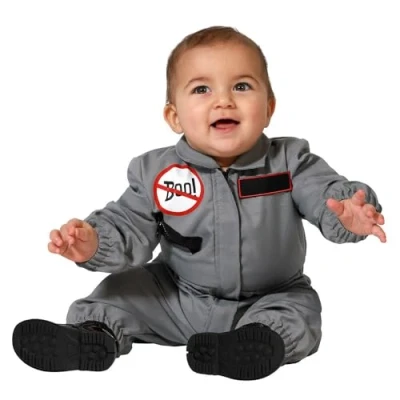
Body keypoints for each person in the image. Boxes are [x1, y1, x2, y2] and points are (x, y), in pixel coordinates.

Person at [12, 25, 386, 381]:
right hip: (176, 295)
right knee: (118, 291)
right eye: (202, 89)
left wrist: (347, 213)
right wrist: (94, 242)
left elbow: (325, 193)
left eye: (241, 86)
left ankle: (253, 344)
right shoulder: (156, 172)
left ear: (268, 108)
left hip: (271, 295)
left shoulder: (291, 161)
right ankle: (92, 336)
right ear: (174, 116)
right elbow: (129, 224)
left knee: (299, 314)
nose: (224, 100)